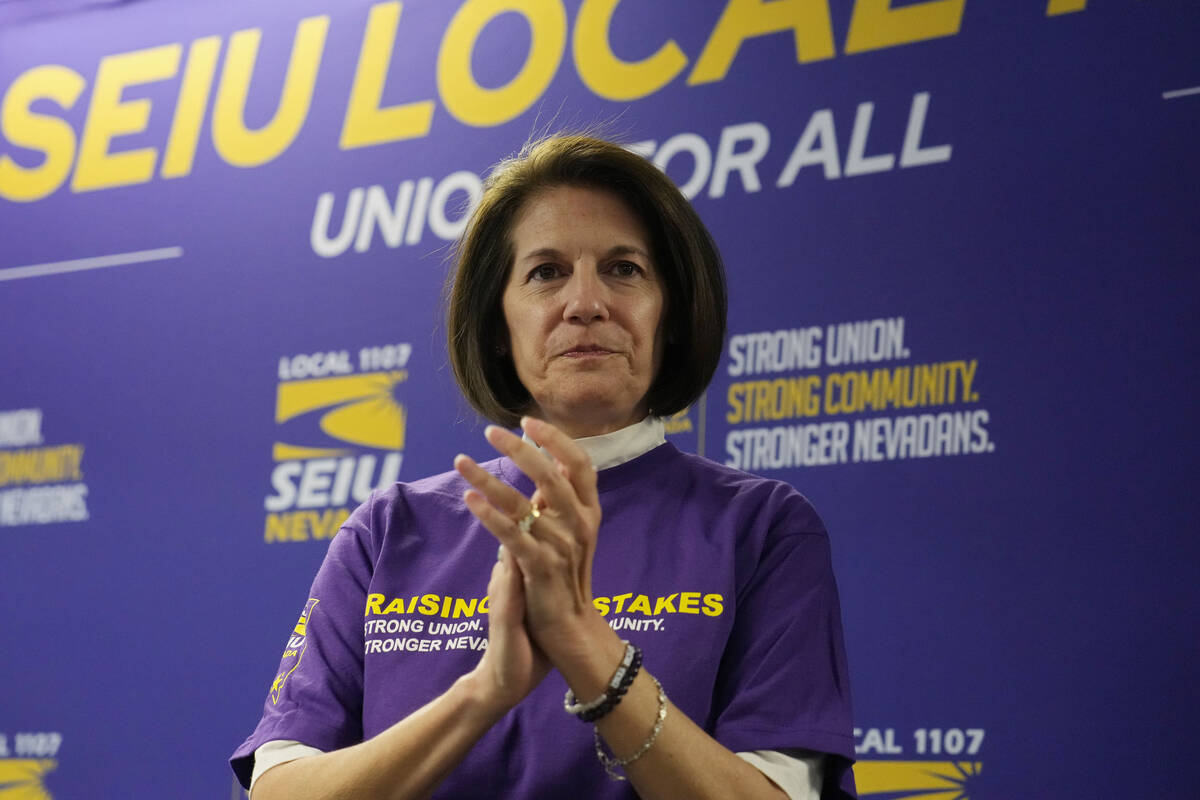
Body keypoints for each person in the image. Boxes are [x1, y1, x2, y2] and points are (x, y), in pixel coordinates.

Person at [231, 135, 856, 799]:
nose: (585, 302)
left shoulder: (760, 528)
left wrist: (583, 646)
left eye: (625, 269)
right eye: (546, 272)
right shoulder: (388, 530)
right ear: (498, 323)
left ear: (669, 314)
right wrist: (484, 692)